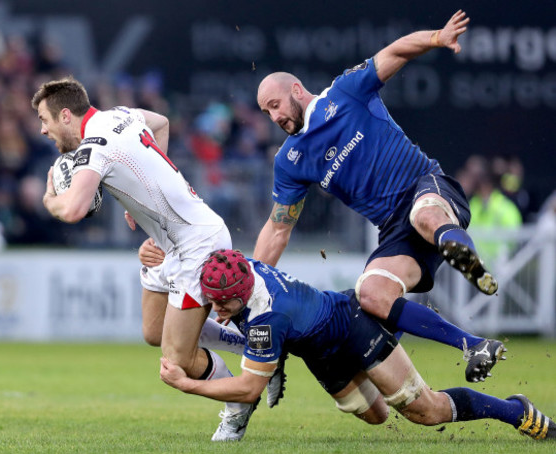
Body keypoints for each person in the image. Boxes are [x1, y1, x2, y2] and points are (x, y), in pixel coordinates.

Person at [253, 10, 504, 382]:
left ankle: (467, 259)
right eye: (265, 112)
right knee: (370, 293)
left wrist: (438, 37)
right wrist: (254, 283)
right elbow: (278, 229)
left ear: (295, 90)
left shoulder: (345, 91)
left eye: (274, 105)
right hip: (394, 230)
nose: (272, 117)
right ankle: (474, 344)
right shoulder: (291, 161)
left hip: (427, 186)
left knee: (424, 215)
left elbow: (396, 51)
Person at [31, 77, 279, 441]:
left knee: (176, 362)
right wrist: (145, 188)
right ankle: (254, 346)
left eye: (45, 119)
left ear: (65, 115)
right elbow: (160, 122)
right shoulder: (121, 114)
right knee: (153, 332)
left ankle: (238, 405)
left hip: (197, 244)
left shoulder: (94, 146)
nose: (42, 129)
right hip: (172, 244)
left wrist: (49, 197)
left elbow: (72, 210)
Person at [160, 249, 555, 442]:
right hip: (320, 352)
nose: (217, 310)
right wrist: (162, 256)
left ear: (243, 292)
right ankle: (389, 334)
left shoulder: (267, 317)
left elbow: (247, 389)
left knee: (424, 411)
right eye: (212, 301)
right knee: (377, 416)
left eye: (223, 302)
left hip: (350, 328)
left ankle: (515, 411)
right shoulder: (239, 266)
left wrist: (186, 384)